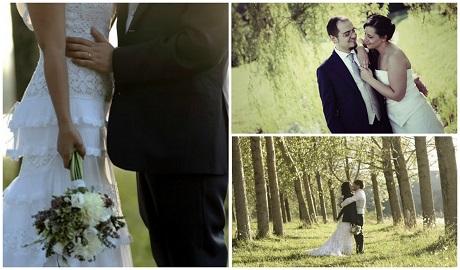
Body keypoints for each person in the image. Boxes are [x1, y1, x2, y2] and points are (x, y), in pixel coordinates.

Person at [65, 3, 229, 266]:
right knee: (168, 255)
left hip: (188, 142)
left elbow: (201, 44)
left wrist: (117, 60)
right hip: (153, 139)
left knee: (197, 255)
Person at [4, 3, 132, 266]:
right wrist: (65, 123)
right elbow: (52, 48)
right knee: (54, 200)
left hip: (94, 109)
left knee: (92, 202)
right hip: (62, 106)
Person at [359, 14, 444, 133]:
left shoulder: (394, 57)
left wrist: (369, 79)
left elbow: (398, 95)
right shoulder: (377, 49)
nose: (366, 39)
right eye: (365, 34)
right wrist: (360, 49)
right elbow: (360, 42)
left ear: (383, 37)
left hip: (414, 116)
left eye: (370, 36)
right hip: (396, 118)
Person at [317, 16, 393, 133]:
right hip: (358, 130)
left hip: (385, 124)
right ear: (333, 38)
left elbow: (389, 72)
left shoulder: (367, 53)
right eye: (347, 34)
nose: (353, 35)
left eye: (353, 30)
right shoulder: (325, 71)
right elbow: (331, 116)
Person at [308, 182, 356, 256]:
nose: (352, 186)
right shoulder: (350, 196)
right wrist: (340, 217)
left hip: (346, 218)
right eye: (350, 185)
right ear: (348, 187)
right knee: (343, 234)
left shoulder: (347, 196)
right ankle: (339, 249)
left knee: (343, 234)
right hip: (347, 218)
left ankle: (344, 249)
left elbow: (343, 209)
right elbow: (346, 209)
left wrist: (338, 216)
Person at [341, 180, 366, 254]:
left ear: (358, 186)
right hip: (357, 214)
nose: (352, 186)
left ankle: (360, 251)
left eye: (354, 185)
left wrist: (341, 204)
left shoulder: (359, 193)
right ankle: (359, 250)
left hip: (358, 215)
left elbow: (350, 200)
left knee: (358, 232)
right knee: (356, 232)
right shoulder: (358, 192)